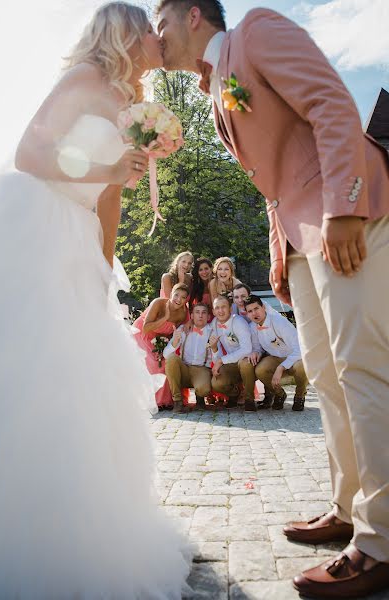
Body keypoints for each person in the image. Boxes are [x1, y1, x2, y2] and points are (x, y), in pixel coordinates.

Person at [156, 0, 389, 597]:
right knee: (330, 377)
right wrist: (281, 255)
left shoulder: (256, 32)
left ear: (190, 16)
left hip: (349, 218)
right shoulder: (214, 92)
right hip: (303, 238)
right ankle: (348, 508)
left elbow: (333, 104)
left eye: (158, 23)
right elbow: (272, 187)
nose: (154, 38)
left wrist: (345, 207)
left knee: (362, 368)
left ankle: (381, 540)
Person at [0, 3, 193, 596]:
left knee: (76, 378)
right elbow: (32, 153)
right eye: (148, 34)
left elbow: (110, 195)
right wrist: (107, 162)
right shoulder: (82, 79)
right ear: (125, 34)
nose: (158, 43)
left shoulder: (131, 106)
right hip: (35, 228)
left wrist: (104, 267)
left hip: (79, 241)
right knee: (25, 366)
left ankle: (75, 520)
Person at [245, 294, 308, 411]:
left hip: (294, 357)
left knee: (302, 366)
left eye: (256, 309)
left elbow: (300, 348)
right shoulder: (253, 327)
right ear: (247, 314)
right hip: (275, 357)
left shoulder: (279, 322)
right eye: (250, 311)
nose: (254, 313)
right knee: (260, 369)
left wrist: (281, 368)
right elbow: (258, 347)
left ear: (263, 307)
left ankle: (300, 395)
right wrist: (256, 352)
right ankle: (279, 394)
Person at [132, 283, 190, 409]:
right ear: (171, 294)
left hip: (161, 340)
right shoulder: (158, 303)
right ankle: (154, 401)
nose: (179, 300)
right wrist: (165, 318)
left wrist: (165, 346)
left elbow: (175, 333)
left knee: (166, 362)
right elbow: (145, 328)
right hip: (142, 335)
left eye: (183, 297)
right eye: (176, 295)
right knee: (154, 363)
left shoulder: (183, 313)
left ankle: (167, 401)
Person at [163, 302, 213, 412]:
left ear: (208, 316)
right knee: (171, 359)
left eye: (204, 313)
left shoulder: (212, 331)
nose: (200, 316)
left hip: (201, 369)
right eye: (197, 312)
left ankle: (200, 399)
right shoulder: (183, 329)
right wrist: (175, 342)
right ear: (191, 316)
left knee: (204, 389)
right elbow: (165, 354)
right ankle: (178, 402)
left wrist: (209, 371)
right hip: (184, 368)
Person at [209, 294, 255, 410]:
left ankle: (249, 399)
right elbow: (217, 356)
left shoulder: (238, 322)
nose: (220, 311)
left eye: (223, 307)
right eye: (217, 308)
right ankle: (234, 394)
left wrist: (221, 361)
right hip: (231, 363)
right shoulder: (214, 324)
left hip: (249, 360)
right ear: (213, 311)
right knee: (216, 383)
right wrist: (214, 349)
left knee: (245, 363)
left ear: (230, 309)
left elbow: (247, 349)